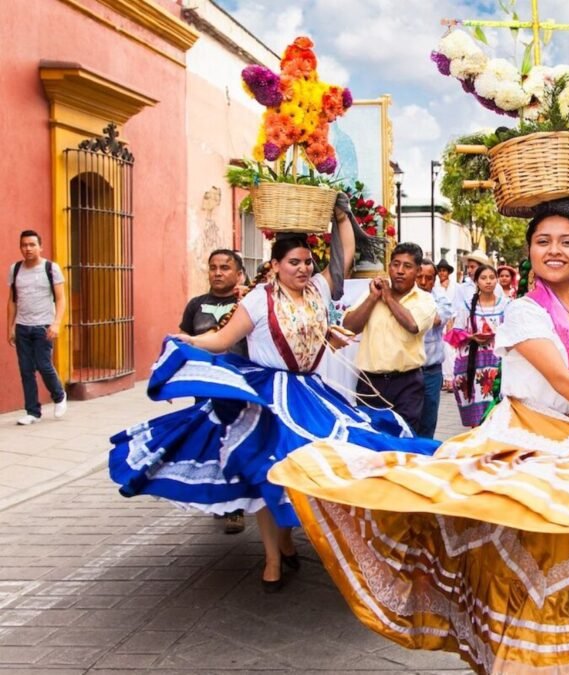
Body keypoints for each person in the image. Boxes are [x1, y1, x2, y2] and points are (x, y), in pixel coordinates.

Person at [268, 144, 569, 673]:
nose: (555, 250)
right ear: (529, 251)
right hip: (527, 448)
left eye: (568, 242)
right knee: (534, 561)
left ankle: (566, 659)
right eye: (543, 242)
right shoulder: (521, 313)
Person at [109, 200, 438, 592]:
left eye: (306, 262)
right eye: (294, 262)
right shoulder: (257, 299)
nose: (302, 269)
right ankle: (271, 559)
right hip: (267, 395)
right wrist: (190, 341)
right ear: (276, 265)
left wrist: (339, 217)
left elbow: (344, 256)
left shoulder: (318, 290)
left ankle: (286, 539)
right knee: (269, 470)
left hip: (310, 393)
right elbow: (222, 339)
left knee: (315, 465)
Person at [179, 249, 249, 534]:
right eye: (213, 267)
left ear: (238, 273)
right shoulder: (196, 305)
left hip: (238, 387)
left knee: (235, 445)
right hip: (205, 388)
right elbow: (184, 343)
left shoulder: (248, 302)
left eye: (225, 267)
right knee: (212, 446)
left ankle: (235, 507)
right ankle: (221, 498)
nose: (218, 272)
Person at [344, 242, 436, 434]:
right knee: (370, 438)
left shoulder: (425, 300)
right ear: (389, 266)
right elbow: (349, 327)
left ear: (418, 271)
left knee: (403, 437)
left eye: (407, 266)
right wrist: (372, 298)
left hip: (407, 383)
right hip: (370, 383)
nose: (400, 271)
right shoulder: (372, 294)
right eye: (395, 264)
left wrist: (388, 298)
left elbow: (412, 325)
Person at [8, 230, 67, 425]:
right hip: (23, 326)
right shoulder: (15, 269)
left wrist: (56, 322)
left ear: (40, 247)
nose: (28, 248)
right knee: (26, 369)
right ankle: (32, 411)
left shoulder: (51, 268)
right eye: (24, 245)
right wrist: (11, 327)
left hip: (44, 325)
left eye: (32, 244)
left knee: (44, 365)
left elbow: (60, 298)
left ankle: (59, 396)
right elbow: (12, 301)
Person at [445, 264, 511, 427]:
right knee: (477, 420)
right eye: (483, 278)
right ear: (476, 282)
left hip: (498, 365)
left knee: (497, 415)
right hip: (472, 366)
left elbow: (513, 332)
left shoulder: (506, 305)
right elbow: (455, 333)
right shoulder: (466, 306)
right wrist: (471, 337)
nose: (488, 282)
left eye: (491, 277)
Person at [415, 258, 452, 438]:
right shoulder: (402, 298)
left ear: (435, 280)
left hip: (431, 372)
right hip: (407, 371)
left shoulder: (441, 300)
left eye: (428, 278)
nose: (423, 282)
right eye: (419, 277)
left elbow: (437, 320)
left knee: (427, 422)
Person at [434, 259, 457, 391]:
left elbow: (456, 305)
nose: (442, 273)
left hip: (452, 320)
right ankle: (445, 379)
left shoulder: (455, 287)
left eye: (444, 270)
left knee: (450, 350)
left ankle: (451, 378)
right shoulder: (436, 287)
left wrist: (452, 321)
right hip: (440, 320)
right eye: (440, 270)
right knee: (442, 349)